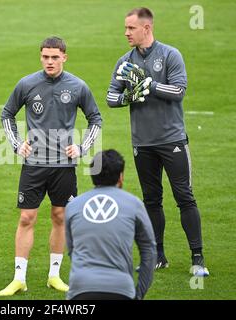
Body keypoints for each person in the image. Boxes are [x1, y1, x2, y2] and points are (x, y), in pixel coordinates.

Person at [106, 7, 209, 276]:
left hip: (172, 140)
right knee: (151, 200)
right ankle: (158, 256)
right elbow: (110, 97)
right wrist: (129, 97)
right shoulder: (124, 61)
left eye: (131, 28)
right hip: (143, 143)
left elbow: (178, 91)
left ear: (146, 28)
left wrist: (148, 84)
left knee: (184, 196)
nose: (126, 32)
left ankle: (197, 258)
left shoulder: (170, 55)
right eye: (125, 28)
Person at [0, 36, 102, 296]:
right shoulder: (27, 84)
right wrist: (15, 144)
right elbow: (7, 113)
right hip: (34, 164)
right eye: (45, 56)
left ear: (64, 57)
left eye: (55, 57)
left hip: (63, 166)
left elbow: (95, 119)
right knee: (26, 218)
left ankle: (54, 276)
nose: (50, 61)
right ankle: (19, 278)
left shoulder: (78, 86)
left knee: (60, 217)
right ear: (40, 57)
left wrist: (81, 148)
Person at [65, 149, 156, 300]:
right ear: (120, 177)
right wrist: (138, 294)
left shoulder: (73, 206)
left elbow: (72, 250)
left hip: (80, 289)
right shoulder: (134, 204)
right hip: (121, 290)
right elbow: (149, 250)